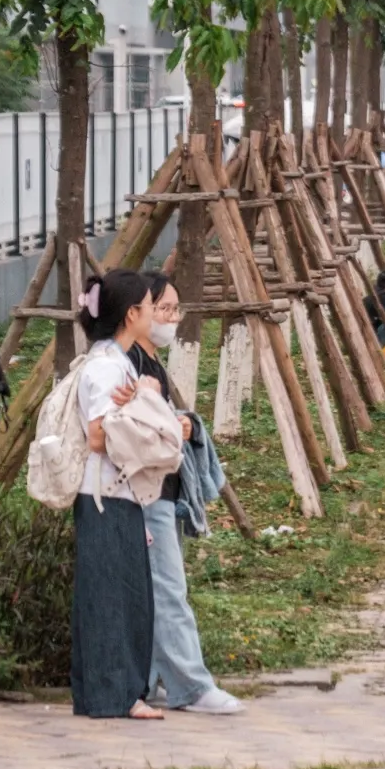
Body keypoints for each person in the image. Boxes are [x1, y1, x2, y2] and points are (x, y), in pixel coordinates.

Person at [69, 267, 185, 720]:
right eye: (149, 306)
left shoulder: (116, 361)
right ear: (132, 313)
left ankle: (106, 694)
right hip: (105, 494)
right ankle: (114, 696)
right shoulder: (105, 368)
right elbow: (98, 437)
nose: (157, 314)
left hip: (116, 494)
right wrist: (143, 404)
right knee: (111, 598)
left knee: (116, 595)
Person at [129, 275, 243, 715]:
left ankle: (158, 678)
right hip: (149, 492)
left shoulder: (151, 360)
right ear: (135, 311)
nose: (170, 319)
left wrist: (184, 424)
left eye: (176, 310)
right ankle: (191, 686)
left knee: (161, 590)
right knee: (169, 590)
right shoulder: (127, 363)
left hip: (164, 490)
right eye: (163, 309)